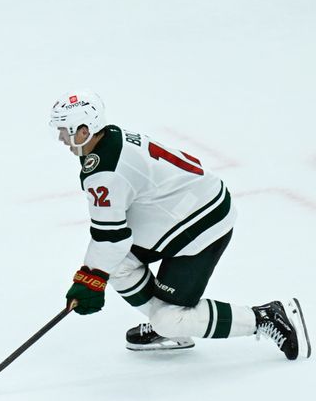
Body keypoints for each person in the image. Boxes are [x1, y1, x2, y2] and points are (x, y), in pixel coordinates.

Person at [49, 90, 310, 359]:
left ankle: (265, 317)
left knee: (168, 318)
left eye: (64, 131)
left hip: (201, 224)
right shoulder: (110, 138)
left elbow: (110, 237)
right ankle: (176, 322)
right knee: (120, 267)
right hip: (183, 210)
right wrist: (95, 274)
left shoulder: (106, 171)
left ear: (84, 130)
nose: (60, 138)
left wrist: (91, 279)